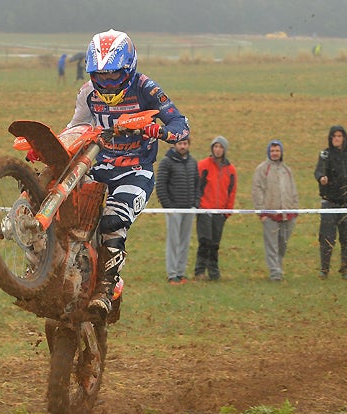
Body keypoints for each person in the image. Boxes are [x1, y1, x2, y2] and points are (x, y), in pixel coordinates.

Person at [67, 29, 189, 316]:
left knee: (112, 222)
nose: (107, 84)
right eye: (101, 76)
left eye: (114, 76)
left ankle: (105, 291)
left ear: (129, 68)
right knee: (66, 213)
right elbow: (75, 127)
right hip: (97, 167)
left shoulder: (147, 89)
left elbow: (180, 124)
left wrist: (157, 130)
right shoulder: (87, 92)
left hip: (136, 171)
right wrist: (56, 146)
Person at [313, 125, 347, 280]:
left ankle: (345, 269)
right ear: (330, 138)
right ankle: (324, 269)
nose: (336, 138)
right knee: (327, 238)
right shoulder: (325, 154)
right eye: (334, 136)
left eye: (339, 136)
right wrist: (321, 178)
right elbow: (318, 170)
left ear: (344, 138)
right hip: (329, 203)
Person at [251, 140, 299, 282]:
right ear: (268, 152)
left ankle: (278, 266)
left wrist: (295, 210)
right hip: (270, 215)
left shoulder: (287, 170)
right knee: (271, 245)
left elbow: (293, 190)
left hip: (288, 214)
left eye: (277, 150)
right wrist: (261, 212)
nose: (275, 153)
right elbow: (256, 190)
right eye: (272, 151)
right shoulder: (262, 169)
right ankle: (275, 272)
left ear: (281, 152)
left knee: (282, 244)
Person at [156, 137, 200, 285]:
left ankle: (181, 273)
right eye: (180, 143)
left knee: (184, 242)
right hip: (174, 209)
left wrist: (195, 204)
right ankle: (172, 274)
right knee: (173, 242)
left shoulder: (192, 163)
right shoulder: (166, 162)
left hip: (189, 209)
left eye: (185, 143)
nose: (183, 146)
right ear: (175, 145)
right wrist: (168, 207)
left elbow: (197, 185)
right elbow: (161, 185)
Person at [195, 136, 236, 281]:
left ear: (224, 150)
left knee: (215, 243)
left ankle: (213, 271)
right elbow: (197, 187)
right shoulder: (203, 165)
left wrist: (227, 211)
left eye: (220, 147)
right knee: (204, 241)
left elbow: (232, 191)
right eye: (215, 146)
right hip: (205, 210)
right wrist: (199, 206)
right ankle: (199, 270)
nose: (218, 150)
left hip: (221, 212)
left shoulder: (230, 170)